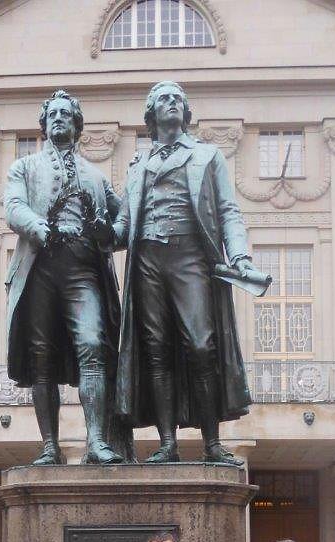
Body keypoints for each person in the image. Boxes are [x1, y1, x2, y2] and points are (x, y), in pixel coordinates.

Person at [113, 80, 254, 465]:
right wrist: (97, 231)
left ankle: (212, 443)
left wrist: (239, 255)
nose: (172, 102)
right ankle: (167, 443)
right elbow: (123, 224)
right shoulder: (138, 164)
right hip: (147, 259)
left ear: (186, 112)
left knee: (201, 345)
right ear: (152, 113)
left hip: (190, 255)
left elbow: (228, 210)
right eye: (164, 98)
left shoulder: (207, 155)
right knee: (156, 349)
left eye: (178, 98)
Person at [5, 88, 123, 466]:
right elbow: (14, 207)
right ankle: (50, 446)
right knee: (41, 356)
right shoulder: (24, 167)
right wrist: (39, 227)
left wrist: (108, 232)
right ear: (44, 124)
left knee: (92, 344)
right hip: (40, 268)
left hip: (83, 271)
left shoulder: (96, 176)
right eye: (52, 114)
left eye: (65, 114)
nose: (58, 118)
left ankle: (97, 442)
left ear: (77, 125)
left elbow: (124, 223)